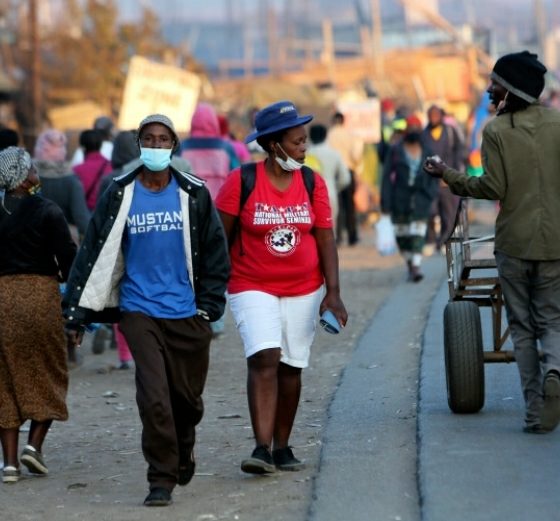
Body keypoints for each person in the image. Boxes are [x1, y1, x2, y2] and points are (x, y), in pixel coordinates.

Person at [63, 114, 230, 506]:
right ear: (139, 145)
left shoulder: (193, 193)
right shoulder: (120, 191)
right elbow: (93, 250)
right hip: (139, 310)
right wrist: (76, 313)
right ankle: (161, 478)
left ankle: (184, 444)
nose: (156, 146)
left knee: (186, 401)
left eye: (163, 139)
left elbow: (215, 251)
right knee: (154, 397)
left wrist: (209, 306)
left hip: (187, 312)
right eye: (149, 139)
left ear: (174, 145)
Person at [424, 50, 560, 434]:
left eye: (495, 85)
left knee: (522, 328)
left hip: (514, 245)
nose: (489, 91)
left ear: (512, 89)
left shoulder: (497, 131)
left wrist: (448, 175)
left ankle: (535, 412)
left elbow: (493, 187)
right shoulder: (557, 123)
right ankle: (555, 369)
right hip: (555, 244)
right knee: (552, 319)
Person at [215, 100, 348, 474]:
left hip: (304, 287)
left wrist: (333, 293)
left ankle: (282, 447)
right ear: (274, 145)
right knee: (265, 356)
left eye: (305, 140)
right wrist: (211, 287)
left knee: (291, 366)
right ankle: (261, 448)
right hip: (250, 284)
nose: (304, 147)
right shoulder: (240, 181)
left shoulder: (312, 182)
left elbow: (325, 238)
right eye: (297, 142)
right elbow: (219, 238)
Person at [0, 146, 77, 483]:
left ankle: (10, 464)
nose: (37, 173)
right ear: (20, 176)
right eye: (31, 169)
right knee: (49, 370)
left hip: (1, 299)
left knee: (4, 380)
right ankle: (34, 445)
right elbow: (69, 258)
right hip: (39, 297)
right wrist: (76, 306)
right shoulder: (47, 210)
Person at [381, 115, 439, 282]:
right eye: (410, 127)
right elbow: (386, 177)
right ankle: (409, 263)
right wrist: (385, 202)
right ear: (406, 130)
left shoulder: (428, 151)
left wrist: (431, 193)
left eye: (416, 128)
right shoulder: (395, 151)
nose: (413, 131)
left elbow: (435, 175)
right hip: (400, 200)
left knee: (418, 234)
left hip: (421, 200)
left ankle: (416, 266)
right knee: (402, 237)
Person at [421, 104, 466, 252]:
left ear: (441, 116)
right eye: (431, 115)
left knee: (448, 213)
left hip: (447, 179)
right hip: (430, 181)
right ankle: (430, 241)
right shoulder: (424, 134)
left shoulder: (450, 132)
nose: (433, 118)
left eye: (436, 115)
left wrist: (454, 173)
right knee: (430, 211)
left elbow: (459, 151)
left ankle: (444, 241)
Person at [34, 129, 90, 243]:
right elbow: (82, 220)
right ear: (62, 151)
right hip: (63, 241)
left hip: (30, 242)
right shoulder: (72, 181)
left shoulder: (27, 178)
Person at [327, 111, 363, 245]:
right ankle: (352, 236)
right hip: (348, 170)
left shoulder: (329, 135)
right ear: (343, 121)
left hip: (334, 172)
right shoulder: (350, 135)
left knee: (336, 205)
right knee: (350, 205)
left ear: (333, 121)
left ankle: (338, 237)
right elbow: (356, 155)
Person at [307, 123, 351, 227]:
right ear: (325, 135)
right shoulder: (334, 153)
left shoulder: (305, 154)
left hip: (308, 197)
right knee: (329, 229)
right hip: (330, 194)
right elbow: (345, 178)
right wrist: (335, 187)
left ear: (310, 136)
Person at [73, 129, 113, 211]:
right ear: (101, 145)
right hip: (106, 213)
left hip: (86, 213)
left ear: (82, 147)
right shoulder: (111, 167)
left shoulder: (76, 170)